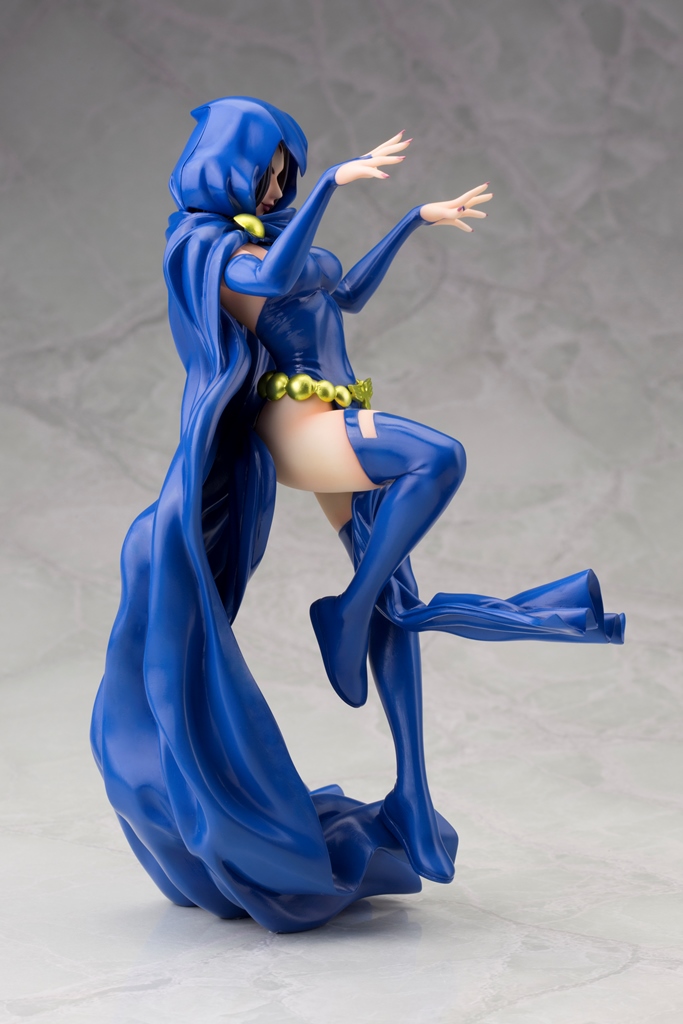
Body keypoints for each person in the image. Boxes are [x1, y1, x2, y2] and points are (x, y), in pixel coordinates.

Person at [91, 97, 624, 933]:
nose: (277, 188)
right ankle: (345, 611)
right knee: (437, 458)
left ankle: (412, 789)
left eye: (288, 176)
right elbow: (271, 284)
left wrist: (411, 220)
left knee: (396, 598)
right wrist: (332, 187)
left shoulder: (269, 236)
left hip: (339, 410)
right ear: (230, 162)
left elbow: (347, 292)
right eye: (269, 172)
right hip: (299, 421)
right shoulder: (209, 249)